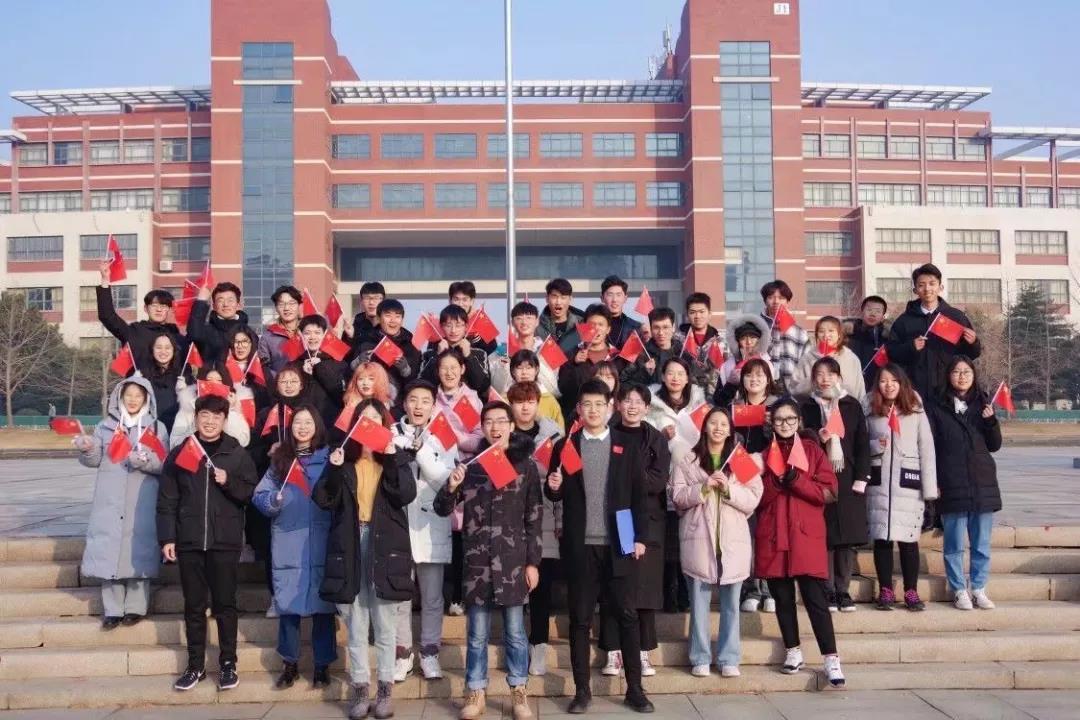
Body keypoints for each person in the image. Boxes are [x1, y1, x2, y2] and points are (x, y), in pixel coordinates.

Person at [545, 380, 654, 714]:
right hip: (581, 545)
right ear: (578, 409)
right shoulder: (567, 445)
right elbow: (554, 492)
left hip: (619, 542)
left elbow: (639, 495)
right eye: (586, 405)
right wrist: (554, 486)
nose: (592, 410)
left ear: (610, 407)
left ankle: (635, 689)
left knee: (627, 616)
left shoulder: (625, 444)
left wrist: (639, 537)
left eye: (599, 404)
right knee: (580, 620)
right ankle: (582, 691)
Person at [434, 401, 542, 720]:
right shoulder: (471, 465)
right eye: (489, 422)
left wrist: (533, 562)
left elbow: (534, 517)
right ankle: (476, 691)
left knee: (515, 633)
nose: (495, 427)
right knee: (477, 634)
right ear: (482, 427)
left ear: (512, 425)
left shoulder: (526, 466)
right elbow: (442, 508)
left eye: (501, 421)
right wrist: (451, 485)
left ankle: (519, 691)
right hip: (478, 561)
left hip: (512, 562)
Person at [313, 399, 416, 720]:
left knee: (385, 625)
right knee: (356, 624)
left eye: (375, 418)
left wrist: (393, 457)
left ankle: (385, 691)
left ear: (384, 425)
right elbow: (323, 499)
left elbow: (406, 494)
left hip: (384, 544)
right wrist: (333, 468)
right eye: (363, 418)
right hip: (351, 542)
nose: (369, 423)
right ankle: (360, 689)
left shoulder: (394, 458)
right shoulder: (343, 458)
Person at [157, 394, 259, 692]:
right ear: (196, 417)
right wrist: (167, 537)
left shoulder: (236, 453)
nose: (210, 421)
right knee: (194, 606)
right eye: (205, 415)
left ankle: (227, 664)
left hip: (224, 541)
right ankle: (195, 665)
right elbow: (167, 499)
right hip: (189, 540)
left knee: (225, 605)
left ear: (224, 420)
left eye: (216, 416)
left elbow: (249, 493)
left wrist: (229, 481)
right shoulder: (182, 452)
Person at [754, 397, 845, 688]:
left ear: (799, 421)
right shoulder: (763, 455)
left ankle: (831, 658)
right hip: (774, 534)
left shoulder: (812, 451)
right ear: (771, 423)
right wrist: (775, 482)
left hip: (805, 536)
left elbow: (829, 492)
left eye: (790, 419)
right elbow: (754, 498)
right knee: (782, 599)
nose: (784, 424)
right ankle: (793, 650)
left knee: (816, 599)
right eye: (779, 419)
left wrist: (796, 480)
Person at [670, 406, 763, 678]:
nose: (718, 428)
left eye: (724, 424)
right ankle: (700, 656)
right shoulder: (688, 459)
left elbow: (753, 498)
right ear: (705, 427)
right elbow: (677, 496)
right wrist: (703, 488)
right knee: (699, 604)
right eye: (713, 423)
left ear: (730, 429)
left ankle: (728, 657)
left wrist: (728, 489)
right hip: (698, 539)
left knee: (731, 604)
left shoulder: (739, 459)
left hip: (733, 541)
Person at [251, 405, 337, 689]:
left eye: (308, 422)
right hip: (289, 541)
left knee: (323, 608)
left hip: (322, 539)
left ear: (317, 426)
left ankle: (322, 665)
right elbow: (260, 495)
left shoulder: (329, 458)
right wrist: (272, 501)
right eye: (298, 422)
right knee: (288, 606)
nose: (302, 427)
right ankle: (289, 664)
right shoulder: (281, 460)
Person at [75, 376, 167, 630]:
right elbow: (94, 460)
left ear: (146, 398)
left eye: (138, 395)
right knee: (110, 549)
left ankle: (136, 607)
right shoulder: (105, 427)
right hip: (110, 499)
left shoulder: (156, 428)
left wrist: (144, 461)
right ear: (119, 397)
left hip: (142, 499)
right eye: (128, 395)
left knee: (139, 549)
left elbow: (163, 463)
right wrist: (87, 448)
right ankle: (112, 609)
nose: (133, 400)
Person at [600, 383, 671, 679]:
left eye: (638, 401)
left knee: (644, 587)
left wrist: (627, 480)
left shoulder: (656, 439)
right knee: (615, 585)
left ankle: (643, 651)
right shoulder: (606, 434)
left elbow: (658, 480)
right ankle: (613, 650)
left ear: (646, 407)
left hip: (645, 518)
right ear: (617, 404)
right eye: (627, 400)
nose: (632, 406)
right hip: (614, 516)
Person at [392, 380, 458, 682]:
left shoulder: (444, 434)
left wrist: (420, 453)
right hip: (399, 524)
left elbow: (446, 479)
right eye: (413, 400)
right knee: (400, 598)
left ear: (434, 405)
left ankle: (430, 653)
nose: (418, 406)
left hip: (432, 525)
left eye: (425, 401)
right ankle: (403, 654)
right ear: (405, 403)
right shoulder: (391, 432)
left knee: (432, 598)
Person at [927, 355, 1002, 611]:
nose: (962, 376)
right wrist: (934, 481)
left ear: (974, 375)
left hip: (982, 482)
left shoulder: (983, 404)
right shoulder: (936, 406)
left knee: (981, 544)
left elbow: (994, 445)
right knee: (954, 544)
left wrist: (991, 421)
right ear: (948, 376)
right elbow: (931, 446)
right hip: (952, 481)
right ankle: (959, 589)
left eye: (967, 372)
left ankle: (979, 588)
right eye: (957, 372)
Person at [866, 364, 938, 611]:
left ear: (902, 382)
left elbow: (926, 448)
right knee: (882, 539)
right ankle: (886, 590)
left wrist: (929, 490)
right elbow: (860, 444)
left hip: (908, 483)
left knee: (908, 540)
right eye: (883, 381)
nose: (889, 385)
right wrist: (876, 445)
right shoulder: (870, 409)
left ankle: (911, 591)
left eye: (894, 380)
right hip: (879, 484)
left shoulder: (915, 409)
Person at [801, 356, 870, 612]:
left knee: (846, 539)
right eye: (819, 374)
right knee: (825, 537)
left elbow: (862, 443)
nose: (825, 379)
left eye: (830, 374)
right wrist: (816, 437)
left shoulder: (851, 405)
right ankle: (827, 590)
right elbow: (801, 440)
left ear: (839, 377)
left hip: (848, 476)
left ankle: (843, 590)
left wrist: (862, 477)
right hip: (819, 478)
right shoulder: (808, 406)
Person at [507, 381, 564, 677]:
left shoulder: (555, 436)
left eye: (530, 401)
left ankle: (538, 644)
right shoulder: (502, 435)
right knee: (515, 587)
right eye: (519, 401)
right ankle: (517, 645)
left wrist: (560, 519)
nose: (525, 407)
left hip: (545, 516)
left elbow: (564, 480)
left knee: (541, 587)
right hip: (510, 521)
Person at [248, 363, 310, 615]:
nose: (288, 385)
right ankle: (276, 597)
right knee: (272, 546)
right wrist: (268, 451)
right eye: (284, 381)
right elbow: (252, 450)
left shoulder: (309, 413)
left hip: (302, 487)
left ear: (302, 384)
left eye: (293, 381)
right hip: (274, 486)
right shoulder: (267, 413)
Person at [431, 348, 484, 617]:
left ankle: (458, 597)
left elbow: (480, 438)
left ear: (463, 369)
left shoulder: (470, 400)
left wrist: (454, 438)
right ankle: (435, 596)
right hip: (435, 470)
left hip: (464, 471)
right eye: (444, 368)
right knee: (438, 533)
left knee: (461, 536)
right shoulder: (431, 400)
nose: (449, 372)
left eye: (454, 367)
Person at [730, 358, 782, 614]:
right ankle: (751, 588)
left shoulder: (778, 406)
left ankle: (770, 588)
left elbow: (789, 442)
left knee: (769, 534)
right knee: (747, 535)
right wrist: (746, 467)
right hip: (743, 478)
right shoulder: (734, 408)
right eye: (749, 375)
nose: (754, 379)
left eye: (760, 375)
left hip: (771, 477)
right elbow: (727, 443)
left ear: (769, 379)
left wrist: (773, 427)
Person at [886, 264, 981, 401]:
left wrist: (973, 343)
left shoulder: (955, 317)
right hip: (915, 391)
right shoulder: (904, 321)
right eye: (921, 285)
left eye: (932, 284)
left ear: (940, 287)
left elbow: (971, 355)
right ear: (915, 290)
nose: (927, 289)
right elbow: (891, 353)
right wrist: (910, 347)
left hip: (949, 391)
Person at [96, 261, 184, 370]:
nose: (159, 309)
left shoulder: (177, 337)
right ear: (145, 308)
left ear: (170, 309)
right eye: (154, 305)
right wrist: (105, 279)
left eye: (164, 306)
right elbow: (107, 316)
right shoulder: (134, 332)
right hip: (139, 380)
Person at [557, 304, 625, 422]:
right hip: (576, 420)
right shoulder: (570, 354)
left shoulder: (618, 357)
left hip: (611, 421)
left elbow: (623, 390)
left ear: (608, 329)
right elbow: (562, 388)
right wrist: (574, 363)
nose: (596, 329)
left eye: (601, 325)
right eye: (592, 325)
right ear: (584, 327)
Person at [171, 363, 251, 449]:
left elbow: (243, 441)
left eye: (219, 381)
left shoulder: (234, 407)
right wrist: (197, 424)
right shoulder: (188, 407)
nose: (214, 384)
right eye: (209, 380)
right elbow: (174, 443)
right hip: (196, 454)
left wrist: (229, 410)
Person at [789, 316, 867, 402]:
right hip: (814, 407)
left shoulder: (851, 358)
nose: (826, 335)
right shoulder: (807, 359)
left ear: (839, 334)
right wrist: (812, 381)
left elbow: (860, 391)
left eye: (831, 331)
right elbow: (794, 390)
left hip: (846, 407)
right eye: (821, 331)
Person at [356, 299, 422, 401]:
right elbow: (351, 375)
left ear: (402, 320)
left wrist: (405, 370)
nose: (393, 320)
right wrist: (358, 362)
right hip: (368, 400)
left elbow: (415, 381)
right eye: (388, 315)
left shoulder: (411, 346)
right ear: (378, 318)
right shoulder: (366, 342)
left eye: (397, 316)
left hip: (399, 402)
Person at [492, 302, 559, 400]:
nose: (524, 322)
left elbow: (554, 389)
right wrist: (504, 368)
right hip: (511, 402)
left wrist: (537, 362)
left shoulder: (550, 349)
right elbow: (497, 389)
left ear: (537, 321)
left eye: (529, 318)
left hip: (542, 402)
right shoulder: (501, 352)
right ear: (512, 322)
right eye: (519, 318)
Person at [420, 305, 491, 396]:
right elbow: (423, 384)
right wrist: (437, 356)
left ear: (466, 327)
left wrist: (468, 356)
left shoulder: (479, 353)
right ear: (441, 327)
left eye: (458, 325)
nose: (453, 330)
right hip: (438, 402)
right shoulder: (429, 354)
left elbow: (482, 386)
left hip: (469, 402)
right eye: (448, 325)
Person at [713, 314, 776, 406]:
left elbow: (775, 395)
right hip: (735, 412)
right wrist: (730, 384)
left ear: (760, 340)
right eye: (743, 338)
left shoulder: (768, 364)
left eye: (753, 337)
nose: (748, 342)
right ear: (737, 342)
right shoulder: (727, 367)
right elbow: (718, 402)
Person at [759, 280, 809, 393]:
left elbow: (806, 364)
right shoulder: (756, 328)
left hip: (791, 392)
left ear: (787, 302)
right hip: (760, 391)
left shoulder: (799, 333)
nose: (776, 301)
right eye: (771, 297)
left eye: (781, 298)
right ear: (765, 301)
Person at [297, 315, 347, 427]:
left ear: (324, 335)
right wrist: (306, 376)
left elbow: (341, 396)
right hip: (304, 426)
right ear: (301, 335)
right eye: (307, 333)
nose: (312, 337)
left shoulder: (338, 362)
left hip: (330, 424)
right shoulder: (295, 364)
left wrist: (320, 367)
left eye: (317, 332)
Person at [187, 281, 251, 363]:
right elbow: (194, 334)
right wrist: (201, 301)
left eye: (230, 300)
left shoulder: (248, 332)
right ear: (214, 306)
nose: (226, 304)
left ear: (238, 305)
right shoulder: (207, 331)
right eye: (220, 300)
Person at [621, 307, 683, 387]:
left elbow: (697, 382)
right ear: (651, 328)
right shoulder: (641, 355)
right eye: (656, 328)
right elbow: (623, 382)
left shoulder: (683, 353)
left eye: (665, 327)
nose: (661, 333)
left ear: (673, 327)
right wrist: (644, 373)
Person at [504, 350, 564, 431]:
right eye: (519, 368)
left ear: (537, 370)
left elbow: (560, 432)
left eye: (529, 368)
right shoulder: (503, 399)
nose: (524, 372)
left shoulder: (549, 400)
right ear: (512, 371)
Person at [678, 292, 723, 396]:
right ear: (687, 315)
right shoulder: (678, 340)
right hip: (686, 395)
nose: (697, 316)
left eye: (702, 312)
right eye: (692, 312)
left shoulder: (720, 342)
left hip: (715, 395)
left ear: (709, 314)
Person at [140, 332, 184, 432]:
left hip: (176, 432)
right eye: (158, 347)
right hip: (150, 431)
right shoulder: (142, 377)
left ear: (174, 350)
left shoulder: (183, 376)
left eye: (167, 348)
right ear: (152, 350)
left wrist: (185, 393)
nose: (163, 351)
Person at [257, 285, 304, 379]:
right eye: (281, 304)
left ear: (299, 305)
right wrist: (282, 379)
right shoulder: (267, 337)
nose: (286, 308)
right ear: (276, 308)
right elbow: (264, 369)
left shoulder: (308, 332)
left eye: (291, 303)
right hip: (280, 384)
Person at [846, 295, 890, 389]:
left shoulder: (887, 338)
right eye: (869, 310)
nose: (872, 314)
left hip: (877, 386)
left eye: (878, 311)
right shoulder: (848, 335)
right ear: (862, 312)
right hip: (851, 384)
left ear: (883, 317)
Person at [448, 280, 498, 355]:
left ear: (472, 301)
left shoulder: (480, 319)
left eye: (465, 300)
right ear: (450, 300)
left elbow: (493, 348)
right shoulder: (443, 321)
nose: (460, 304)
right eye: (456, 299)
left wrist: (469, 352)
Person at [227, 326, 271, 410]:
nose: (240, 346)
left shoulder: (261, 368)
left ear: (252, 343)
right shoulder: (223, 368)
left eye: (244, 341)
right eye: (236, 342)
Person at [538, 277, 585, 354]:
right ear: (547, 298)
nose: (558, 302)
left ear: (570, 299)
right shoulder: (537, 326)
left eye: (563, 297)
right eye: (554, 297)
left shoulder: (581, 324)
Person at [600, 275, 642, 349]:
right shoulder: (593, 326)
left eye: (618, 295)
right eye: (610, 295)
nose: (614, 300)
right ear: (602, 298)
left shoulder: (636, 327)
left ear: (625, 298)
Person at [350, 281, 386, 351]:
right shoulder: (353, 330)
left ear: (383, 301)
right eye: (367, 298)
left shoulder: (392, 329)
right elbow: (343, 356)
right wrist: (350, 338)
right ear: (361, 301)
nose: (371, 302)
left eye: (376, 298)